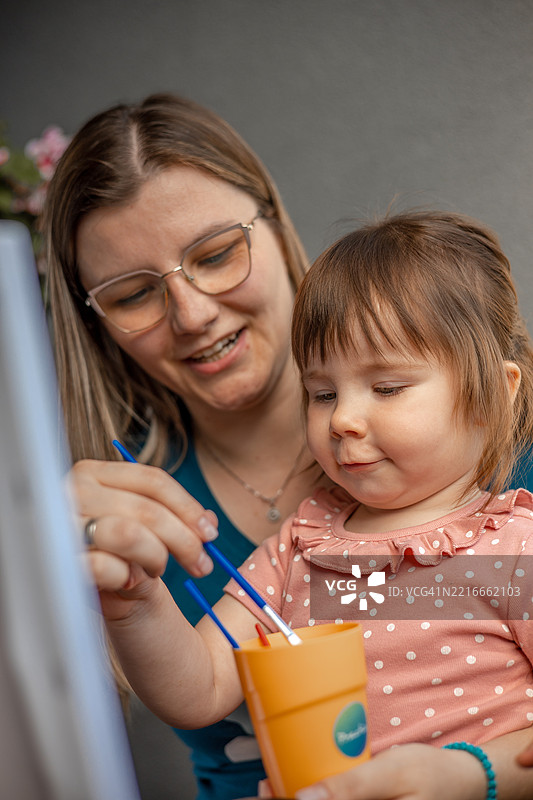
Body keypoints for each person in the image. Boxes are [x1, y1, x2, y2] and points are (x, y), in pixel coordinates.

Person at [84, 210, 533, 800]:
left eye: (388, 388)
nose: (342, 420)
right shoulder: (303, 547)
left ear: (493, 396)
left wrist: (473, 778)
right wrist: (135, 604)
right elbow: (202, 689)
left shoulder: (513, 548)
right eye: (322, 393)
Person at [42, 92, 329, 800]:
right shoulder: (122, 514)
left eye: (216, 253)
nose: (193, 314)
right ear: (96, 320)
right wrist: (42, 575)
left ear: (274, 222)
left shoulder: (461, 414)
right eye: (134, 294)